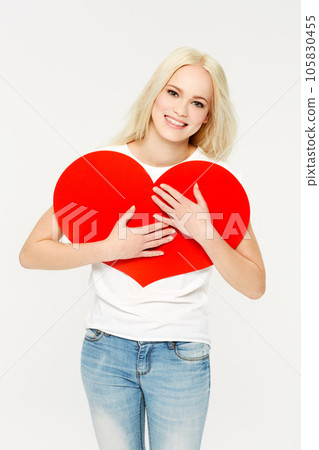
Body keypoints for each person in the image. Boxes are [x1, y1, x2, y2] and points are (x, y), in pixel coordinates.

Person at [19, 46, 266, 450]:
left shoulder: (215, 182)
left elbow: (255, 284)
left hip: (181, 357)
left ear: (208, 115)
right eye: (173, 93)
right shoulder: (102, 168)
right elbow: (32, 253)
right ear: (154, 94)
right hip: (105, 351)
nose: (181, 109)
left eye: (197, 102)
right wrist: (112, 246)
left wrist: (204, 231)